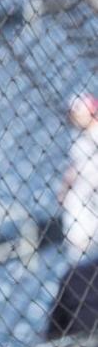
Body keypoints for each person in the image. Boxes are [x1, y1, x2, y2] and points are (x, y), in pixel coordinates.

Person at [59, 92, 98, 261]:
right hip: (83, 197)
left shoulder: (94, 134)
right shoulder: (79, 137)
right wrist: (65, 188)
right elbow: (75, 168)